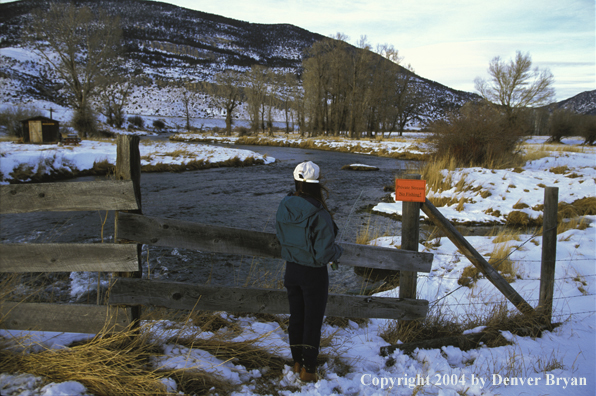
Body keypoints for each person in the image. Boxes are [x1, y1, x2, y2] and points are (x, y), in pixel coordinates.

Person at [275, 161, 343, 383]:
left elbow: (281, 236)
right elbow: (324, 253)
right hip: (313, 273)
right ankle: (309, 369)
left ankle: (297, 362)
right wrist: (338, 251)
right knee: (312, 320)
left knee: (296, 317)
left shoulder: (285, 204)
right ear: (317, 182)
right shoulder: (319, 212)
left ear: (296, 180)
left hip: (291, 270)